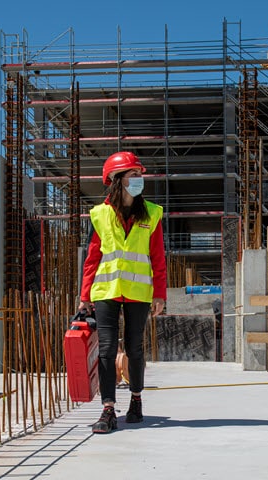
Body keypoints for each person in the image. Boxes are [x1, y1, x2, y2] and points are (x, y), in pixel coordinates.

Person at [78, 151, 167, 434]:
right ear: (117, 180)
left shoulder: (151, 213)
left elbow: (158, 257)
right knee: (106, 349)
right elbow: (92, 258)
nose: (139, 180)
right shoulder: (100, 214)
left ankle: (137, 401)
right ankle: (107, 410)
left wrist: (160, 294)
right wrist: (84, 296)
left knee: (134, 348)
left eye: (139, 174)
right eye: (133, 175)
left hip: (139, 292)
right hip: (106, 290)